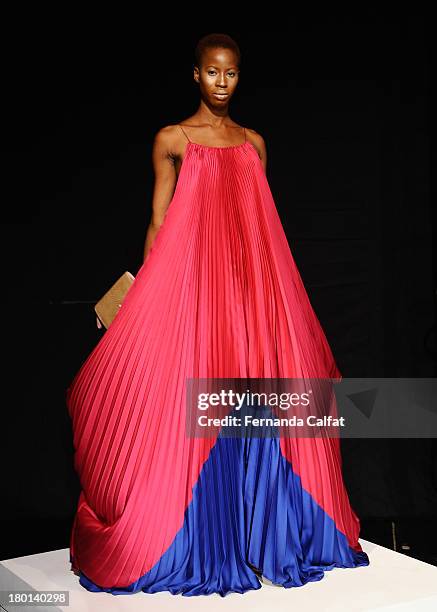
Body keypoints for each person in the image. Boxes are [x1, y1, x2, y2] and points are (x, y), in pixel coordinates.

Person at [66, 32, 370, 598]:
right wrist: (146, 297)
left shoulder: (254, 143)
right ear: (196, 74)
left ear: (238, 76)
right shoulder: (172, 139)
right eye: (212, 73)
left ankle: (266, 535)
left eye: (230, 73)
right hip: (196, 292)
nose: (222, 83)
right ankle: (199, 537)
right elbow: (159, 223)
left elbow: (262, 227)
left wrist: (274, 299)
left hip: (249, 289)